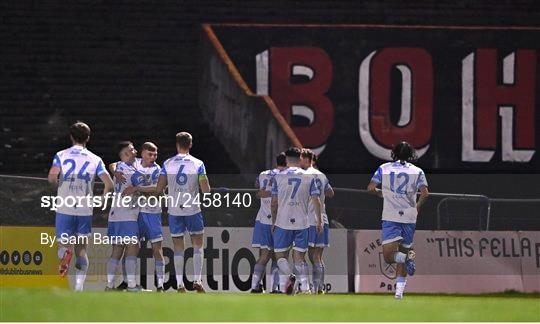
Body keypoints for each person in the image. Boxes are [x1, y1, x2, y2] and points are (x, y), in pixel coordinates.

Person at [47, 121, 113, 291]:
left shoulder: (61, 155)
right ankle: (78, 288)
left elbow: (52, 177)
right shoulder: (95, 159)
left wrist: (59, 187)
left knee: (63, 244)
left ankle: (64, 254)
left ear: (70, 136)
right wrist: (103, 199)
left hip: (65, 206)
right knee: (82, 248)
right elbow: (109, 184)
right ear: (88, 138)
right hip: (84, 208)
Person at [367, 141, 429, 299]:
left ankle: (407, 259)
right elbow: (425, 193)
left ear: (394, 153)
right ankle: (399, 294)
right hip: (409, 215)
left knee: (388, 257)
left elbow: (370, 188)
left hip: (391, 216)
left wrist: (382, 193)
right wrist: (417, 207)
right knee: (403, 251)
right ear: (411, 154)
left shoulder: (384, 168)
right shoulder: (418, 171)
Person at [157, 132, 211, 293]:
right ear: (190, 144)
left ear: (176, 144)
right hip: (192, 209)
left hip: (175, 210)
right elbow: (206, 190)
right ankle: (197, 280)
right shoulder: (198, 163)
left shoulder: (167, 163)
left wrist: (168, 194)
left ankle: (180, 284)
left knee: (178, 247)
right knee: (198, 245)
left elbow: (159, 189)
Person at [271, 147, 322, 295]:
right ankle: (305, 289)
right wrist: (318, 221)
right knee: (300, 257)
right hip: (303, 222)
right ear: (300, 158)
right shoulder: (309, 177)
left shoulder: (279, 177)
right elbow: (316, 200)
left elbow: (274, 202)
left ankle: (290, 276)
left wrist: (274, 221)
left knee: (280, 256)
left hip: (283, 221)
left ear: (286, 159)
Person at [105, 141, 142, 292]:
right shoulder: (131, 172)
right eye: (132, 150)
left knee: (117, 250)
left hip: (115, 215)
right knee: (133, 247)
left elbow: (112, 163)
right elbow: (145, 186)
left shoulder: (120, 166)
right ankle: (132, 285)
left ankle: (109, 285)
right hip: (127, 214)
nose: (136, 151)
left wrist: (113, 169)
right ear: (126, 153)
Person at [250, 152, 287, 293]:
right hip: (278, 220)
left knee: (263, 256)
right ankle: (274, 288)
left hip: (262, 219)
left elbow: (256, 189)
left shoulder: (263, 174)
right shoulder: (286, 176)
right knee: (279, 257)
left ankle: (255, 286)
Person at [300, 149, 334, 294]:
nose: (299, 162)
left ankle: (310, 287)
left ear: (308, 160)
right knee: (317, 256)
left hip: (308, 220)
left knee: (308, 255)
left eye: (301, 159)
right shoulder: (322, 175)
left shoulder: (303, 176)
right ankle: (319, 288)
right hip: (322, 219)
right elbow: (331, 193)